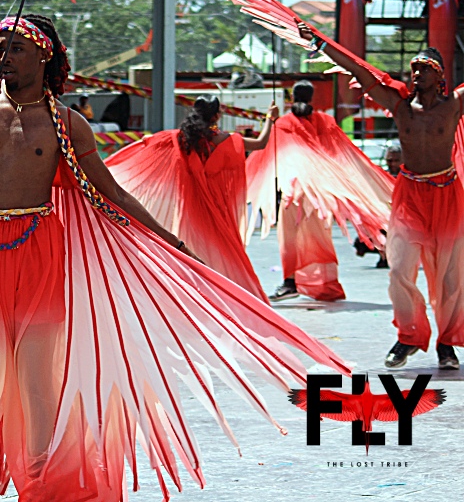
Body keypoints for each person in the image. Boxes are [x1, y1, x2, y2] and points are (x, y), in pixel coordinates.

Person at [0, 14, 349, 501]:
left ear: (44, 55)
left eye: (16, 48)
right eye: (0, 46)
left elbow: (109, 194)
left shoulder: (68, 125)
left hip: (42, 263)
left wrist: (167, 240)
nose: (3, 56)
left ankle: (45, 488)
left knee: (39, 391)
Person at [304, 33, 464, 369]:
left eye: (424, 69)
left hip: (448, 194)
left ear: (440, 77)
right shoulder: (399, 105)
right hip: (410, 196)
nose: (416, 74)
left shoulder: (454, 105)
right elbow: (359, 71)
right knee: (399, 270)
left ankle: (446, 343)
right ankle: (408, 337)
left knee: (451, 277)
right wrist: (320, 43)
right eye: (413, 69)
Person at [105, 95, 280, 301]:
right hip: (219, 211)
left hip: (191, 209)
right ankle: (235, 299)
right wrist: (270, 118)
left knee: (192, 251)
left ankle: (198, 298)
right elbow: (260, 143)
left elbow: (146, 147)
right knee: (226, 253)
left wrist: (107, 167)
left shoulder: (180, 139)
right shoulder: (226, 140)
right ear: (216, 115)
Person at [243, 80, 393, 303]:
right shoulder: (326, 122)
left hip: (294, 195)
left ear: (292, 98)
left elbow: (265, 154)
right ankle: (325, 284)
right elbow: (341, 154)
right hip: (320, 197)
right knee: (319, 240)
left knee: (290, 240)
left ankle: (290, 282)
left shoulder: (283, 124)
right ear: (312, 98)